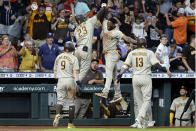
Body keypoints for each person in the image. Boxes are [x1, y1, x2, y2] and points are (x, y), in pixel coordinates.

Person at [116, 38, 171, 129]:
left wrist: (120, 74)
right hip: (145, 77)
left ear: (137, 44)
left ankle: (142, 122)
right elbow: (157, 65)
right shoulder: (149, 52)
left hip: (135, 78)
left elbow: (125, 66)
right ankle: (140, 118)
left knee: (138, 101)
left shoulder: (132, 53)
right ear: (145, 44)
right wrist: (167, 71)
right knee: (146, 100)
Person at [95, 17, 137, 104]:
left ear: (114, 25)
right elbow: (102, 17)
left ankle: (105, 92)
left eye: (110, 23)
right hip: (107, 54)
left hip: (112, 53)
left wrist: (136, 42)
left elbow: (127, 39)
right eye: (107, 23)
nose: (108, 24)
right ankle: (118, 95)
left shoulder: (117, 32)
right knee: (114, 77)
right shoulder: (106, 25)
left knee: (108, 73)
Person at [73, 5, 109, 81]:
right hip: (85, 49)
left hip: (77, 50)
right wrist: (104, 8)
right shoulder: (88, 22)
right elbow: (98, 15)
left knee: (76, 69)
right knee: (84, 70)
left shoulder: (76, 29)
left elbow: (74, 39)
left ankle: (73, 81)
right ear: (84, 19)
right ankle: (75, 84)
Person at [53, 42, 81, 128]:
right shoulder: (73, 58)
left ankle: (57, 114)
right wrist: (78, 82)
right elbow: (75, 72)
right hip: (70, 80)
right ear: (71, 49)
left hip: (60, 80)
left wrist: (59, 78)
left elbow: (55, 73)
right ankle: (70, 124)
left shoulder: (58, 57)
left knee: (60, 101)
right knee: (72, 103)